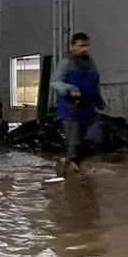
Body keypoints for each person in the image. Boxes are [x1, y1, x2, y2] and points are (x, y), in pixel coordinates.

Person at [50, 32, 105, 175]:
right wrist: (70, 89)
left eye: (86, 45)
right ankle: (67, 177)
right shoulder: (66, 62)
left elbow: (95, 83)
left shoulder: (90, 64)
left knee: (96, 138)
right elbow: (54, 82)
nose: (84, 49)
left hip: (88, 109)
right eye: (81, 46)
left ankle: (77, 167)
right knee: (72, 145)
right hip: (71, 110)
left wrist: (99, 100)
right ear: (72, 46)